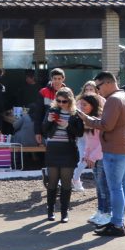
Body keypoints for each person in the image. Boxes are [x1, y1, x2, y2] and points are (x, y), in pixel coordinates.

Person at [77, 71, 125, 237]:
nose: (97, 90)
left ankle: (117, 224)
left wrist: (86, 118)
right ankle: (118, 221)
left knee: (115, 187)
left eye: (98, 86)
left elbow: (106, 125)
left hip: (114, 149)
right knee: (121, 185)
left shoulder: (114, 99)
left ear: (108, 83)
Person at [41, 87, 84, 223]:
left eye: (64, 101)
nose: (61, 103)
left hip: (68, 150)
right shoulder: (52, 111)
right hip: (53, 149)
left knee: (66, 183)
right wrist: (48, 120)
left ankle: (64, 212)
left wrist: (67, 126)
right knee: (52, 182)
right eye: (58, 101)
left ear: (70, 101)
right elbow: (43, 130)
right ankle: (50, 211)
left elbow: (80, 132)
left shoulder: (75, 114)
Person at [77, 95, 110, 227]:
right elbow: (89, 142)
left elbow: (102, 143)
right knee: (99, 186)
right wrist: (86, 155)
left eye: (84, 105)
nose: (81, 107)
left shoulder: (98, 120)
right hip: (94, 158)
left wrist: (92, 157)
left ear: (92, 105)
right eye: (81, 105)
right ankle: (101, 211)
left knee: (104, 187)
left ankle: (107, 214)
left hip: (101, 158)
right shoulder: (88, 121)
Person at [37, 68, 67, 144]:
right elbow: (38, 114)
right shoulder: (43, 92)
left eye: (59, 78)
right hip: (48, 131)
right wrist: (37, 132)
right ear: (51, 79)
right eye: (55, 78)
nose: (57, 81)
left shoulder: (68, 93)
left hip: (66, 131)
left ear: (63, 79)